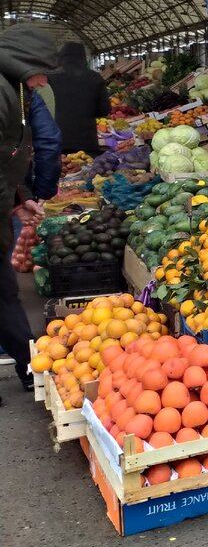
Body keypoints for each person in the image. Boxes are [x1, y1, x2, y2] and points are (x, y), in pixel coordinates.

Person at [0, 26, 60, 399]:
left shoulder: (12, 88)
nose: (45, 80)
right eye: (43, 69)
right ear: (25, 64)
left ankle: (27, 365)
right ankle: (27, 365)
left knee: (4, 290)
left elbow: (7, 157)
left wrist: (20, 197)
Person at [47, 41, 109, 156]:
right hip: (87, 143)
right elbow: (104, 110)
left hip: (56, 142)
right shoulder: (95, 78)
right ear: (83, 57)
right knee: (88, 172)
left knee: (60, 171)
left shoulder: (50, 78)